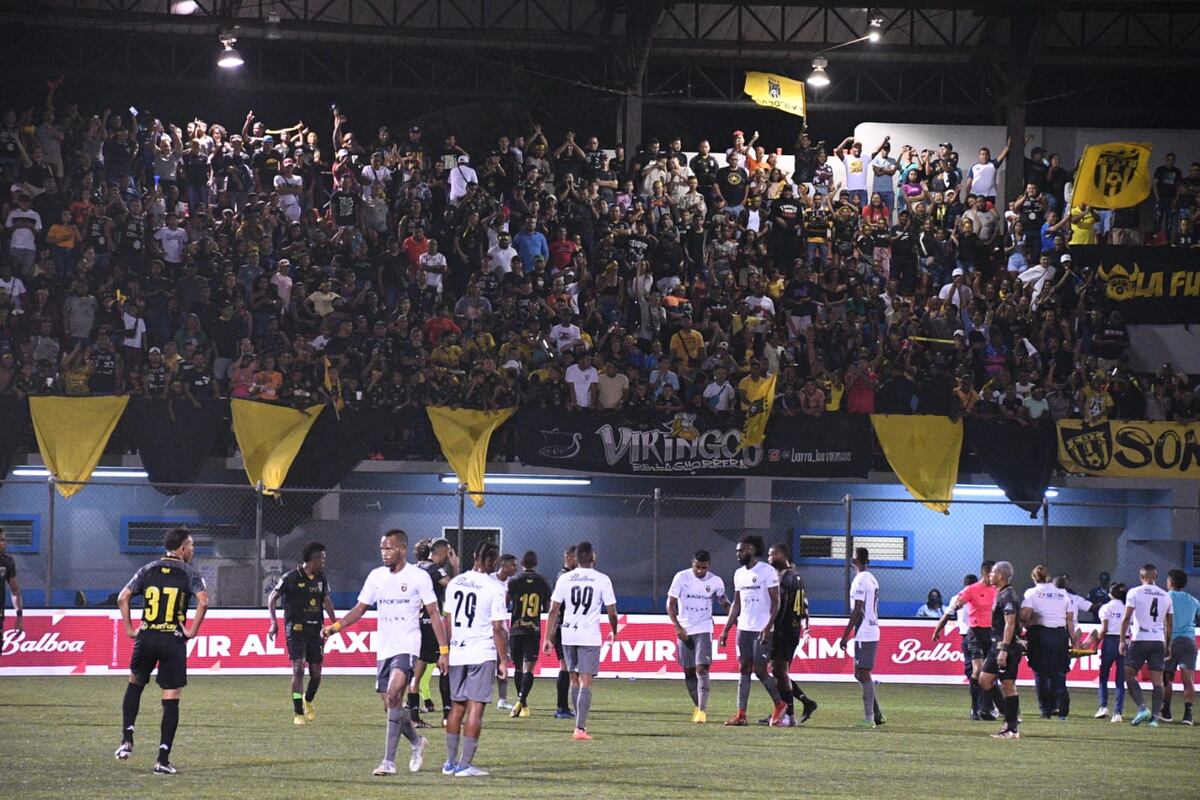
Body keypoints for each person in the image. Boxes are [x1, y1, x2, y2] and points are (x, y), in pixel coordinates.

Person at [324, 529, 448, 776]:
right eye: (382, 548)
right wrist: (335, 627)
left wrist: (444, 650)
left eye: (389, 548)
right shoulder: (376, 576)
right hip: (385, 647)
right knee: (391, 706)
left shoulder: (418, 577)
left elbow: (434, 613)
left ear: (402, 549)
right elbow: (360, 608)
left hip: (408, 645)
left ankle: (388, 762)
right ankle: (416, 742)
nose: (384, 553)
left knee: (394, 695)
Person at [114, 527, 209, 774]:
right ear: (182, 548)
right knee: (171, 698)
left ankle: (127, 739)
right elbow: (203, 601)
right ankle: (162, 760)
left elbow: (123, 598)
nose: (193, 550)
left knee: (135, 683)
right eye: (191, 546)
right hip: (172, 641)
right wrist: (192, 631)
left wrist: (130, 629)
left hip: (146, 637)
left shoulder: (147, 569)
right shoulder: (190, 573)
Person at [441, 542, 509, 778]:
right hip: (481, 652)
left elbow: (448, 620)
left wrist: (447, 650)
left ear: (473, 556)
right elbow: (498, 628)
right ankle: (464, 765)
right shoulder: (495, 588)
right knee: (475, 709)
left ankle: (449, 763)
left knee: (457, 707)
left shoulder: (455, 582)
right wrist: (503, 660)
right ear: (493, 561)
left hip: (457, 652)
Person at [542, 540, 618, 740]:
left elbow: (553, 609)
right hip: (589, 635)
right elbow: (611, 611)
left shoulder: (565, 579)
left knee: (574, 679)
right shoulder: (602, 579)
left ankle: (578, 723)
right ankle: (580, 728)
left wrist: (547, 638)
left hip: (568, 634)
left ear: (576, 559)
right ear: (593, 557)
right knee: (586, 681)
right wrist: (614, 630)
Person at [266, 541, 338, 726]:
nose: (324, 562)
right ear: (314, 559)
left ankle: (308, 699)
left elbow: (326, 601)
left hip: (316, 631)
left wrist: (335, 622)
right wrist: (273, 622)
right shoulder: (290, 577)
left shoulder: (321, 578)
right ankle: (298, 712)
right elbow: (272, 598)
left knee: (316, 675)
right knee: (298, 669)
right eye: (322, 558)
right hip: (295, 630)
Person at [719, 534, 785, 726]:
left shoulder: (767, 571)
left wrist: (768, 626)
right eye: (737, 551)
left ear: (752, 550)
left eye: (741, 550)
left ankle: (780, 704)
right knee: (744, 668)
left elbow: (776, 602)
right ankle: (741, 715)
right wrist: (726, 629)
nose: (738, 554)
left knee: (761, 671)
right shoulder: (739, 574)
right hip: (744, 628)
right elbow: (736, 604)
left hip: (762, 628)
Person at [666, 549, 730, 724]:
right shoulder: (681, 577)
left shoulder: (716, 581)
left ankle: (702, 711)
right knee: (688, 672)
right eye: (697, 567)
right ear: (692, 564)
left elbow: (724, 602)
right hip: (685, 629)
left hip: (704, 627)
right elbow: (670, 604)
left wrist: (735, 618)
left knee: (701, 669)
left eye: (704, 567)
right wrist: (677, 626)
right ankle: (697, 706)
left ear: (709, 566)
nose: (700, 570)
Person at [933, 561, 996, 720]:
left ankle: (986, 708)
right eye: (992, 573)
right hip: (973, 635)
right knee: (977, 670)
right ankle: (976, 708)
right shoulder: (968, 592)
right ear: (985, 573)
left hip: (990, 634)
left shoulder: (996, 591)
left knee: (988, 672)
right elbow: (951, 611)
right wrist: (938, 629)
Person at [766, 543, 818, 726]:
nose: (768, 559)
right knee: (778, 671)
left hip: (784, 630)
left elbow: (781, 606)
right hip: (792, 629)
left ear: (780, 555)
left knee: (779, 671)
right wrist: (806, 624)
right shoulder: (797, 577)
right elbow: (804, 605)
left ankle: (789, 715)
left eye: (771, 555)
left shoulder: (784, 578)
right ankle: (801, 704)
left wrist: (772, 629)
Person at [1119, 563, 1173, 727]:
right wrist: (1167, 644)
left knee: (1129, 674)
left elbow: (1126, 617)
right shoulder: (1165, 595)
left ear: (1141, 576)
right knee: (1157, 681)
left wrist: (1122, 639)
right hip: (1158, 640)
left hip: (1140, 638)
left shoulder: (1134, 592)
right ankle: (1155, 718)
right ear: (1156, 576)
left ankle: (1142, 708)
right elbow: (1169, 623)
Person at [411, 537, 457, 727]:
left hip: (416, 625)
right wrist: (455, 567)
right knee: (445, 668)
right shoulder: (434, 569)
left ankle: (414, 717)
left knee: (417, 674)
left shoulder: (414, 568)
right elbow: (454, 587)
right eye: (448, 554)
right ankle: (447, 716)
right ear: (443, 553)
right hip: (431, 626)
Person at [1020, 565, 1074, 720]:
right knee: (1058, 672)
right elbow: (1069, 620)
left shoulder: (1032, 593)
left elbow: (1025, 615)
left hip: (1039, 634)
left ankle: (1046, 710)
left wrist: (1026, 623)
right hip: (1059, 635)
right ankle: (1062, 708)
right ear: (1048, 577)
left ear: (1034, 578)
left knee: (1041, 673)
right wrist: (1073, 640)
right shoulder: (1062, 593)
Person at [978, 561, 1024, 739]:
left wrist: (1004, 649)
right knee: (984, 680)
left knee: (1008, 685)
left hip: (1006, 647)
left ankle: (1011, 729)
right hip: (996, 645)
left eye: (993, 573)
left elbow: (1010, 624)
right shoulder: (1001, 593)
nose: (989, 575)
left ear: (1001, 575)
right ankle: (1010, 717)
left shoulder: (1008, 596)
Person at [840, 547, 884, 728]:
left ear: (854, 561)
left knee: (863, 672)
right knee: (859, 672)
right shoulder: (872, 578)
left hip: (864, 631)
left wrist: (845, 635)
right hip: (871, 628)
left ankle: (869, 719)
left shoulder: (859, 580)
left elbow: (858, 609)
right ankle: (877, 714)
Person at [507, 550, 552, 718]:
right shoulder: (543, 582)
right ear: (536, 564)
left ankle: (521, 703)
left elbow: (505, 602)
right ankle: (522, 702)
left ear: (521, 564)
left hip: (516, 629)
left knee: (518, 667)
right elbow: (547, 607)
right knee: (529, 668)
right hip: (533, 629)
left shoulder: (514, 581)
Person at [1087, 582, 1128, 722]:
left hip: (1110, 642)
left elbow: (1103, 629)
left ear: (1110, 594)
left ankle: (1103, 707)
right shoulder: (1127, 608)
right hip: (1124, 641)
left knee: (1104, 676)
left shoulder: (1105, 608)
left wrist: (1096, 643)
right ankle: (1118, 713)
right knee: (1120, 680)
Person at [1162, 569, 1199, 725]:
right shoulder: (1193, 600)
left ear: (1170, 582)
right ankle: (1188, 715)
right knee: (1188, 680)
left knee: (1167, 678)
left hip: (1170, 641)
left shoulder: (1165, 598)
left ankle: (1166, 712)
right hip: (1189, 642)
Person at [490, 553, 518, 711]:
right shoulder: (489, 580)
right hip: (486, 626)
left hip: (501, 625)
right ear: (504, 566)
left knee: (503, 660)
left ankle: (502, 699)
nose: (515, 568)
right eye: (513, 565)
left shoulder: (513, 583)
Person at [552, 544, 578, 719]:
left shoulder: (564, 575)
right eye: (576, 557)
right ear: (568, 558)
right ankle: (561, 708)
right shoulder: (564, 577)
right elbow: (556, 606)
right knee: (565, 666)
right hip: (563, 627)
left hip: (565, 626)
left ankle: (564, 707)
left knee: (568, 667)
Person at [0, 528, 23, 643]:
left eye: (4, 540)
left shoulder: (8, 562)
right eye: (1, 540)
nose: (4, 543)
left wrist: (19, 616)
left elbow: (15, 591)